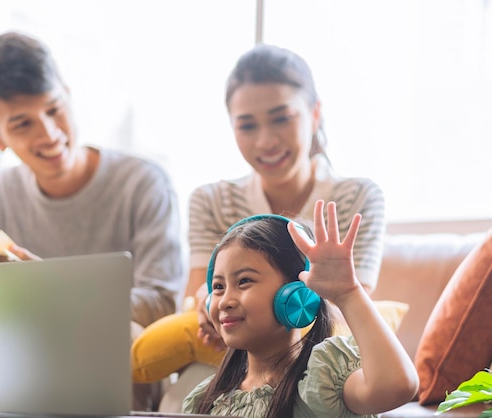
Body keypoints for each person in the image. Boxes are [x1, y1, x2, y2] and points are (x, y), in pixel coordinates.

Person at [0, 31, 183, 411]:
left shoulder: (143, 183)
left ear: (69, 96)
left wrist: (41, 294)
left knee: (130, 342)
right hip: (22, 370)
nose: (50, 134)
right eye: (23, 124)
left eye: (54, 109)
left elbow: (161, 304)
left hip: (118, 367)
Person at [131, 44, 386, 384]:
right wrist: (211, 305)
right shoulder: (211, 200)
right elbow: (202, 292)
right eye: (247, 126)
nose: (266, 141)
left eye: (282, 118)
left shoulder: (357, 197)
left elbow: (350, 312)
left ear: (314, 114)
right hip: (228, 365)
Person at [182, 200, 419, 417]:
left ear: (296, 296)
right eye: (218, 286)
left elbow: (398, 386)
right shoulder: (207, 399)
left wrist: (348, 294)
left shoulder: (324, 378)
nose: (224, 301)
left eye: (244, 281)